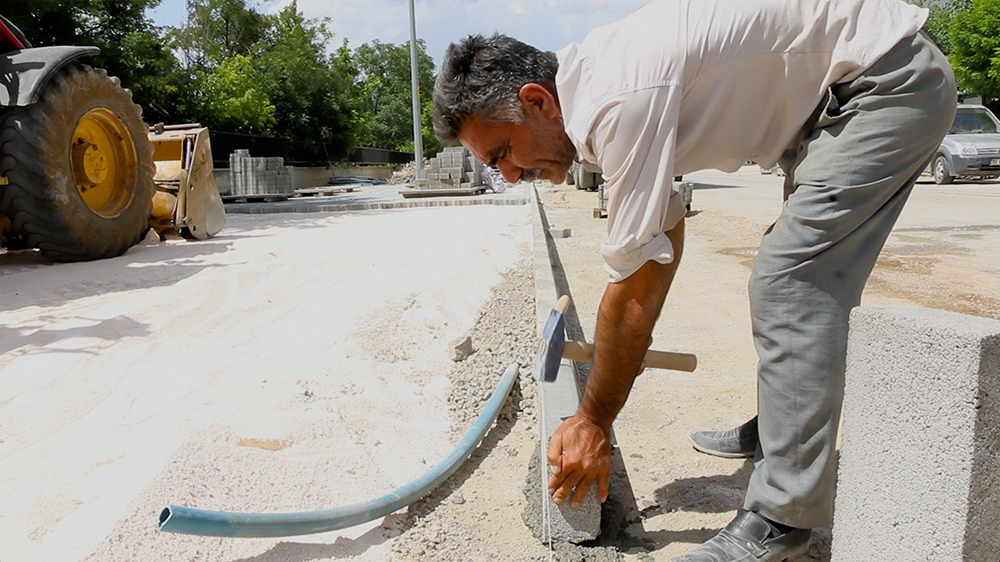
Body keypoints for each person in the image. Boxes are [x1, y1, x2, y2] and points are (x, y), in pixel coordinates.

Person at [431, 0, 955, 559]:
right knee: (795, 274)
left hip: (883, 84)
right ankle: (784, 429)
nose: (508, 175)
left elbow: (634, 283)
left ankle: (782, 519)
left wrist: (591, 421)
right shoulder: (601, 90)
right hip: (826, 103)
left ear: (538, 101)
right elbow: (663, 239)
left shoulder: (617, 100)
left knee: (791, 280)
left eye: (504, 153)